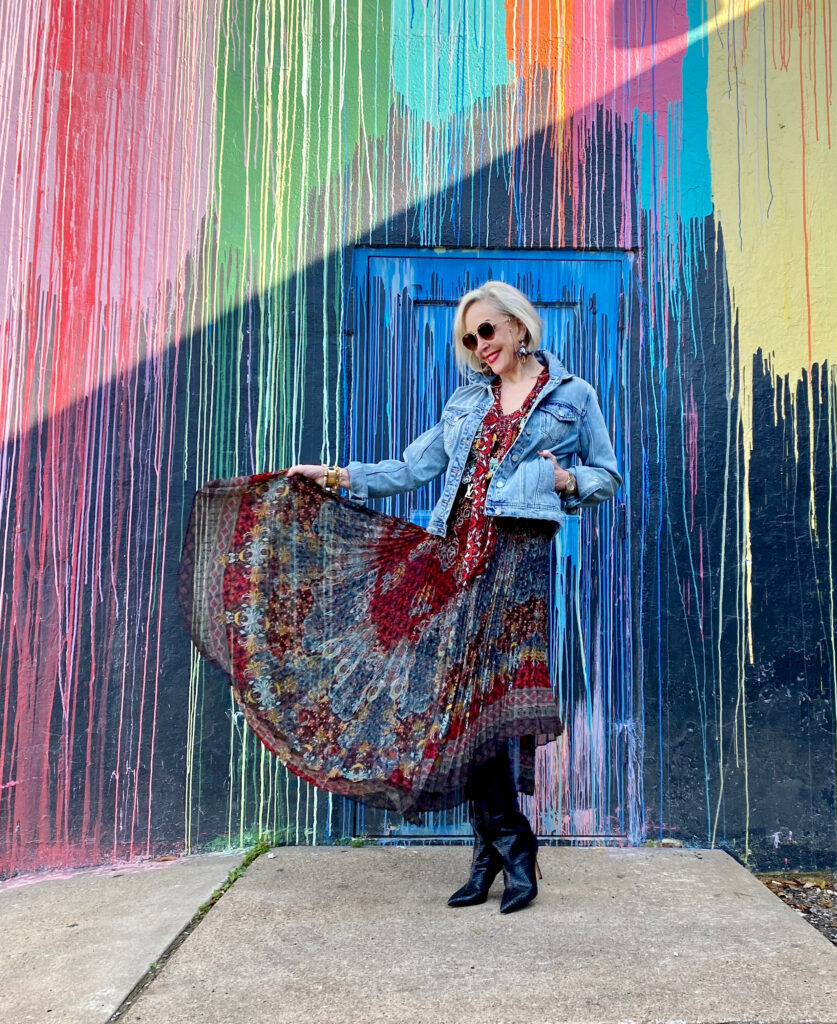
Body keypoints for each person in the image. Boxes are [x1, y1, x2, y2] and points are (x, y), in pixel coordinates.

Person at [180, 280, 620, 914]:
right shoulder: (468, 401)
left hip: (517, 560)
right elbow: (413, 469)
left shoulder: (574, 398)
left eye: (487, 332)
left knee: (492, 701)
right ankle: (503, 847)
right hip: (453, 557)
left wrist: (563, 477)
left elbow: (606, 475)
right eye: (469, 340)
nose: (479, 347)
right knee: (462, 705)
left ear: (520, 327)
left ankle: (500, 851)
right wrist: (333, 475)